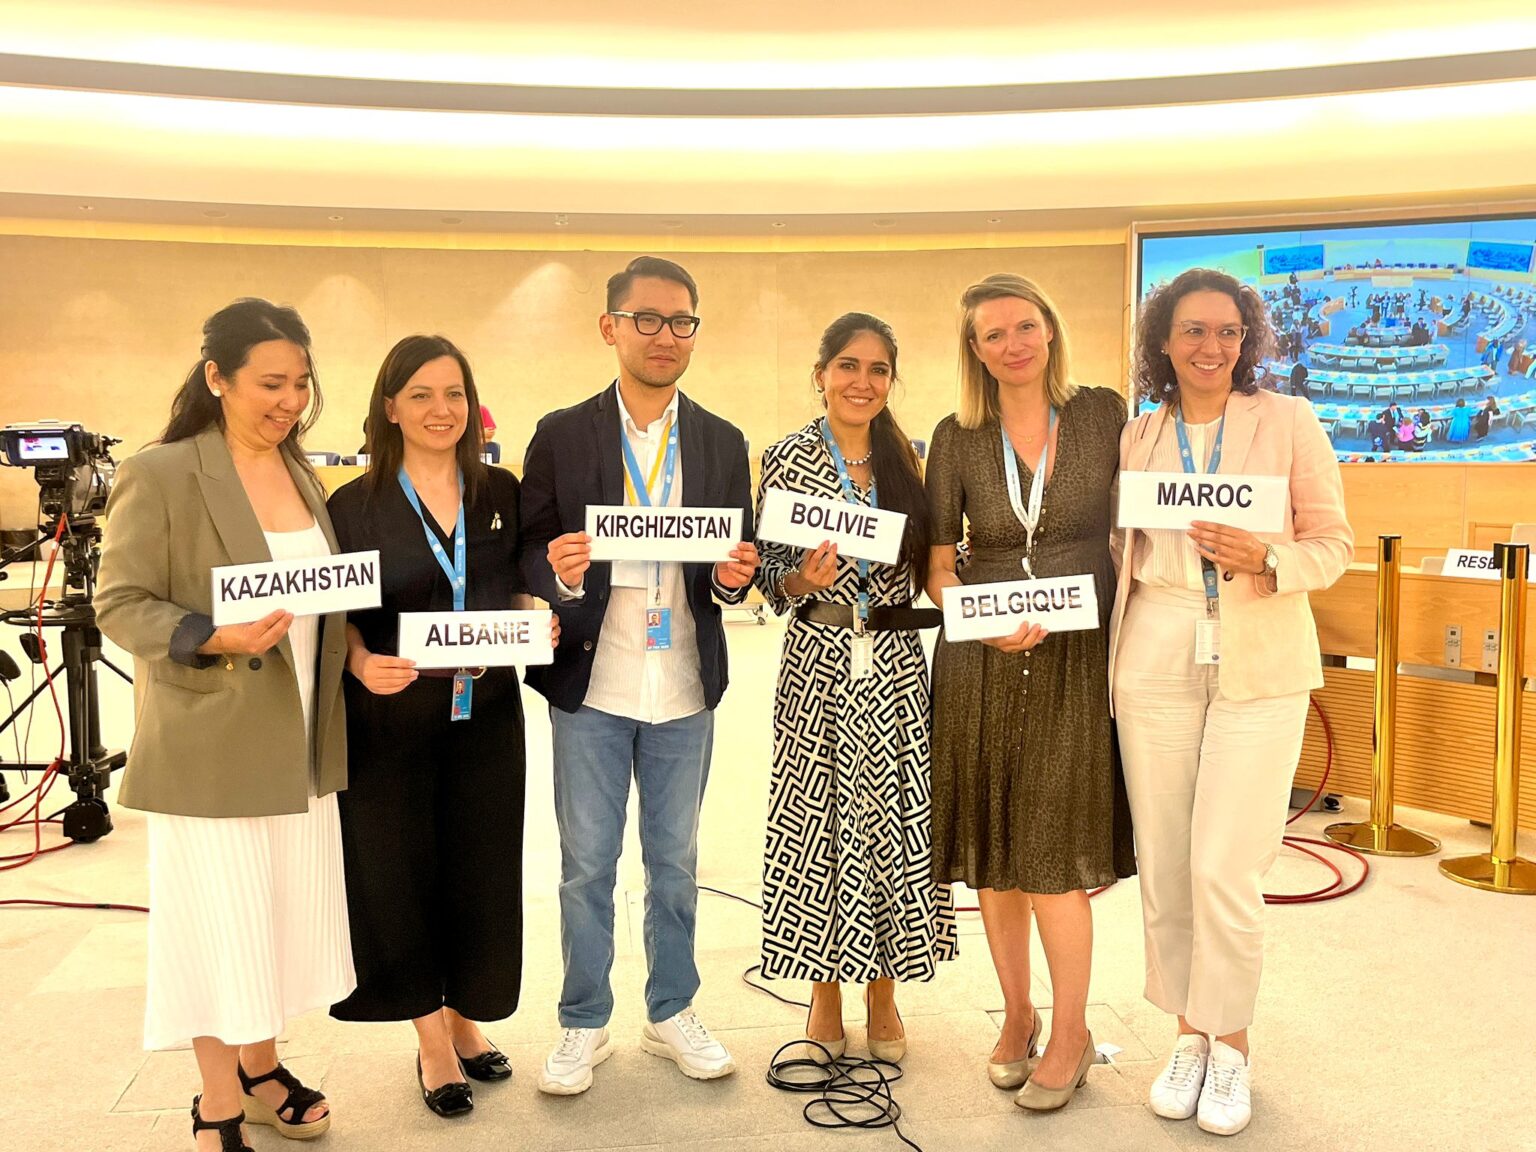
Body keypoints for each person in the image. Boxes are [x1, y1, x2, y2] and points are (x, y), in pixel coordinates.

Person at [96, 298, 354, 1152]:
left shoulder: (301, 471)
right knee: (218, 923)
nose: (290, 400)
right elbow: (120, 602)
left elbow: (322, 597)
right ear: (217, 377)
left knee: (270, 920)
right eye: (271, 383)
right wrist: (212, 635)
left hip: (301, 738)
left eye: (301, 383)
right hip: (214, 740)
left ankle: (261, 1067)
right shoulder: (165, 472)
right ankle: (216, 1101)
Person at [1111, 268, 1352, 1137]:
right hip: (1156, 645)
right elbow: (1121, 549)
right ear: (1163, 342)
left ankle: (1234, 1046)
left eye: (1228, 331)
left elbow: (1334, 544)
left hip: (1260, 643)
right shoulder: (1140, 434)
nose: (1211, 347)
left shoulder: (1288, 421)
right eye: (1193, 330)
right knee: (1169, 859)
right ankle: (1188, 1034)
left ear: (1247, 340)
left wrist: (1268, 558)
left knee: (1226, 865)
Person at [519, 256, 759, 1095]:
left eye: (682, 321)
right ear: (610, 327)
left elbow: (732, 563)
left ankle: (671, 1009)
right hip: (593, 684)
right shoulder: (561, 433)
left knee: (676, 863)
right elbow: (531, 546)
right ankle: (584, 1018)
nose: (666, 336)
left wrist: (730, 578)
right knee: (586, 865)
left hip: (684, 684)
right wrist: (559, 573)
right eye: (647, 319)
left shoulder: (723, 440)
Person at [327, 336, 554, 1117]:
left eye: (454, 393)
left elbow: (517, 582)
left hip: (485, 717)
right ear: (390, 406)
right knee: (399, 873)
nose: (440, 409)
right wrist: (361, 663)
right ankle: (429, 1037)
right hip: (390, 719)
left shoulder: (501, 490)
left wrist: (532, 620)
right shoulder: (353, 504)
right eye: (421, 394)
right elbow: (340, 615)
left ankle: (465, 1018)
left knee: (480, 871)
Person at [924, 274, 1135, 1112]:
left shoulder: (1104, 414)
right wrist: (978, 622)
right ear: (975, 351)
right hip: (981, 661)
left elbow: (1138, 524)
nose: (1012, 344)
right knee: (996, 852)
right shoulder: (957, 436)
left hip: (1076, 659)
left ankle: (1072, 1032)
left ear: (1050, 330)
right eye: (993, 334)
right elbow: (939, 566)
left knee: (1051, 851)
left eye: (1025, 326)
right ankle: (1018, 1014)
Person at [754, 313, 956, 1065]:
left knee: (893, 824)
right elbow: (766, 575)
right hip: (817, 656)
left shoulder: (912, 461)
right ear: (821, 375)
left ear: (891, 380)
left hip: (897, 661)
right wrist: (798, 580)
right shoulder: (785, 458)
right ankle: (825, 994)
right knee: (817, 828)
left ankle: (882, 991)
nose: (861, 382)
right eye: (847, 365)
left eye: (877, 369)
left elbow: (934, 565)